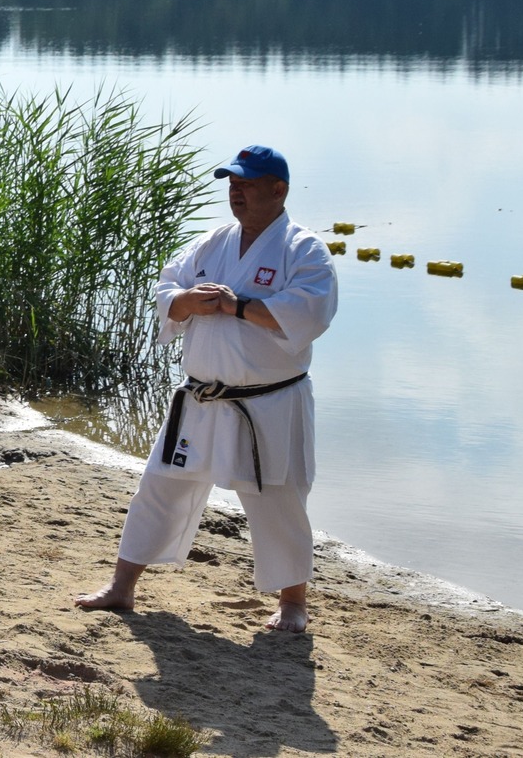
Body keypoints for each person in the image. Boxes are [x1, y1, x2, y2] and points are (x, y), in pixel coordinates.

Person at [76, 145, 337, 634]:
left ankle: (294, 602)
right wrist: (186, 301)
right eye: (231, 183)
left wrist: (239, 307)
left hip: (269, 401)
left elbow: (310, 313)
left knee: (279, 500)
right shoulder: (212, 242)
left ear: (278, 190)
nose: (235, 192)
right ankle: (122, 586)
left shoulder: (304, 251)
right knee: (159, 486)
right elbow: (166, 289)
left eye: (247, 184)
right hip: (201, 396)